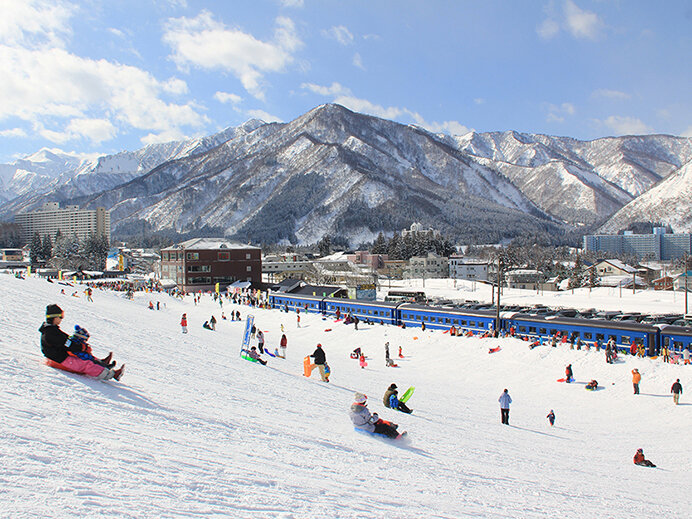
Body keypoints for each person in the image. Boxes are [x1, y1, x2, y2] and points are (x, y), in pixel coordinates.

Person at [39, 304, 124, 381]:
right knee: (85, 364)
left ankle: (101, 363)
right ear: (54, 317)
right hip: (59, 359)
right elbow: (68, 344)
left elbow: (66, 339)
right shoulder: (51, 333)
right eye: (60, 317)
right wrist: (81, 347)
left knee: (82, 355)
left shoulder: (52, 329)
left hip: (60, 356)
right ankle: (112, 375)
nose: (62, 319)